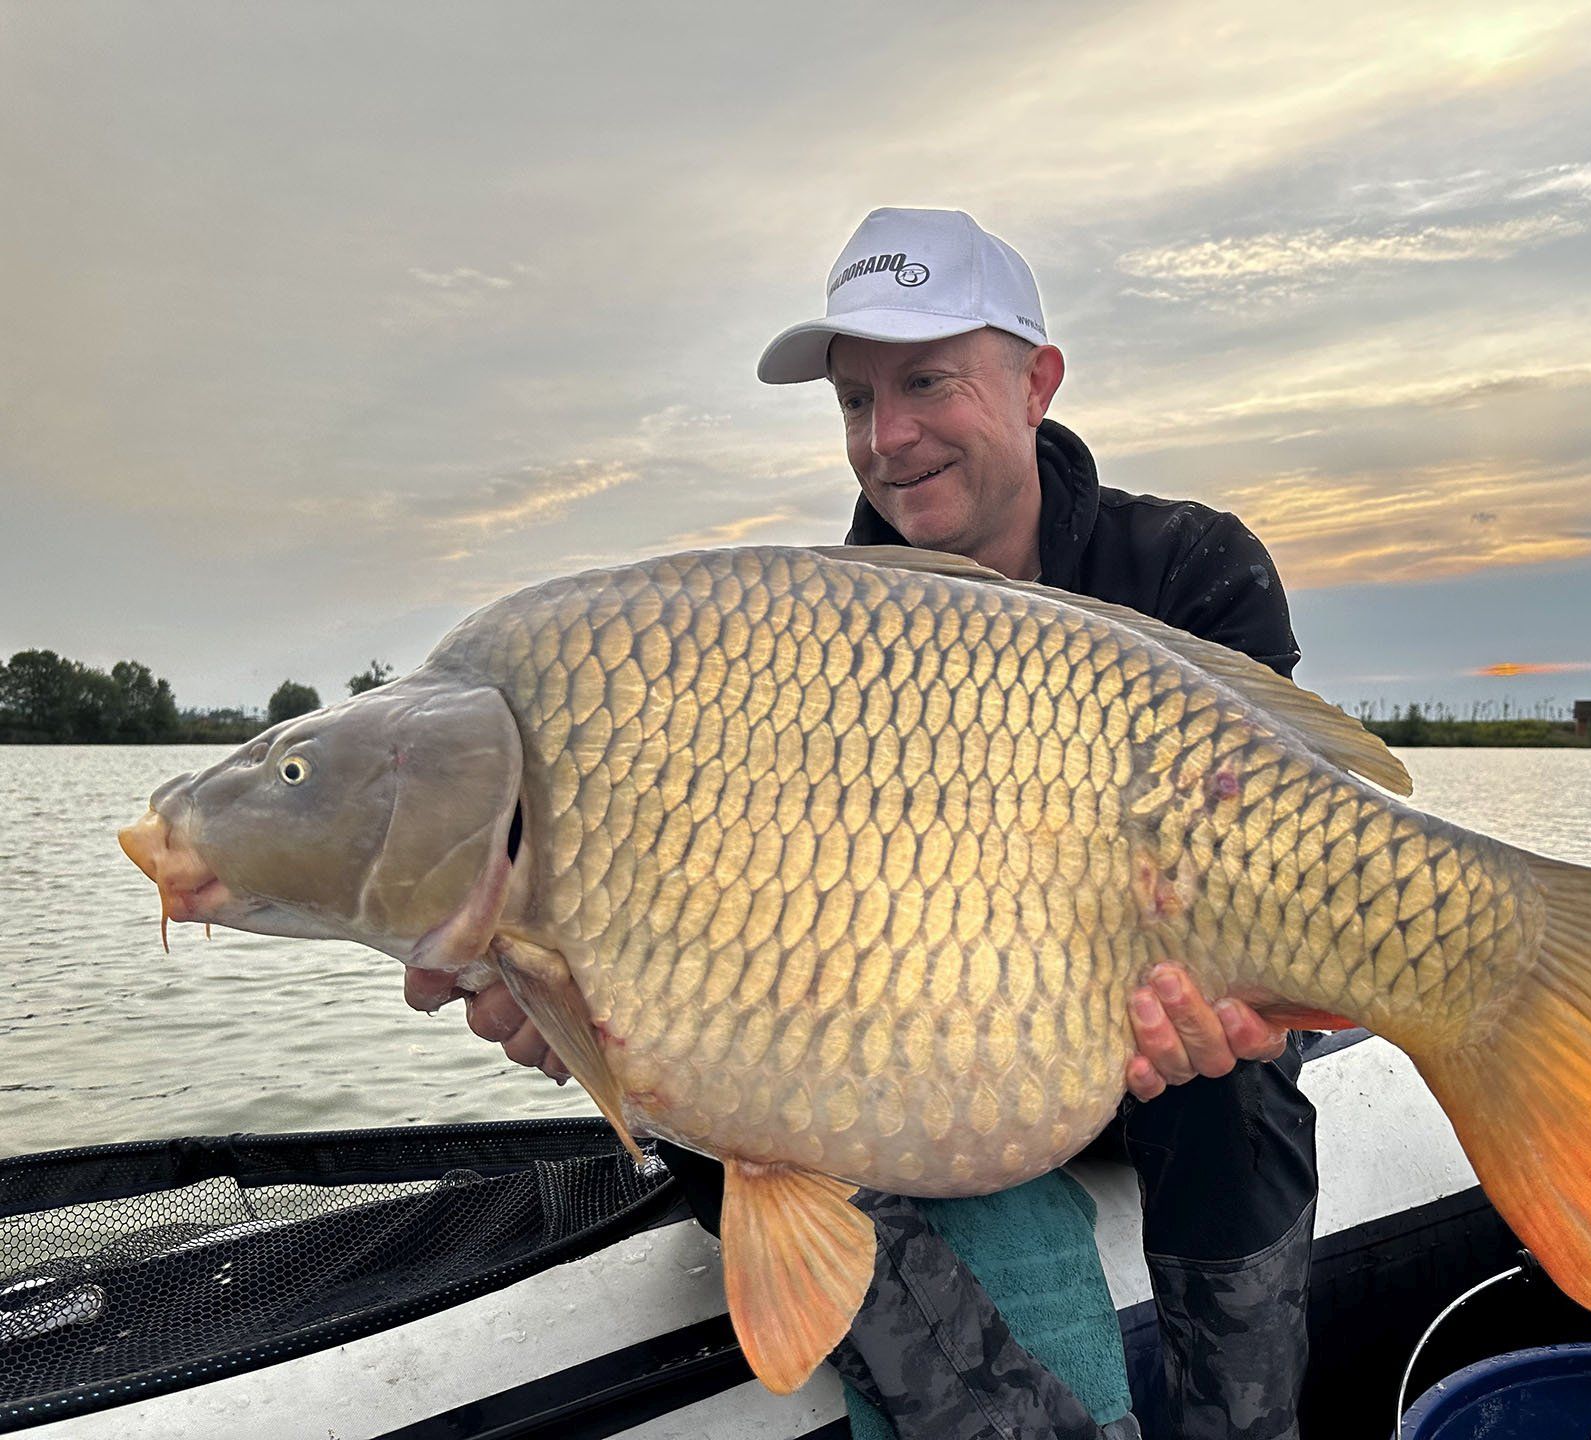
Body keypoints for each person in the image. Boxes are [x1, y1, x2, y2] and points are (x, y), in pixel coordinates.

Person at [404, 207, 1316, 1439]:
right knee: (694, 1103)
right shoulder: (807, 636)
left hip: (1153, 1035)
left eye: (927, 381)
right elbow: (751, 923)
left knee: (1242, 1100)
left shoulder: (1192, 567)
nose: (887, 440)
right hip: (937, 1043)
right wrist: (590, 998)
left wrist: (1239, 1013)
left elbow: (1296, 856)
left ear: (1037, 380)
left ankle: (1240, 1423)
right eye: (852, 401)